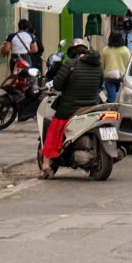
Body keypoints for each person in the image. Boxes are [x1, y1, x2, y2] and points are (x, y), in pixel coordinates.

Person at [39, 37, 103, 173]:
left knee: (53, 129)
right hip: (92, 105)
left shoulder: (70, 64)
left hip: (70, 108)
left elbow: (57, 85)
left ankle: (45, 164)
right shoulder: (98, 65)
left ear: (72, 52)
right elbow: (100, 85)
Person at [99, 30, 132, 103]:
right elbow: (129, 65)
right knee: (123, 100)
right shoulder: (125, 50)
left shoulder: (105, 50)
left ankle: (112, 111)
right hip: (122, 77)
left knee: (112, 99)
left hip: (109, 77)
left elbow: (101, 65)